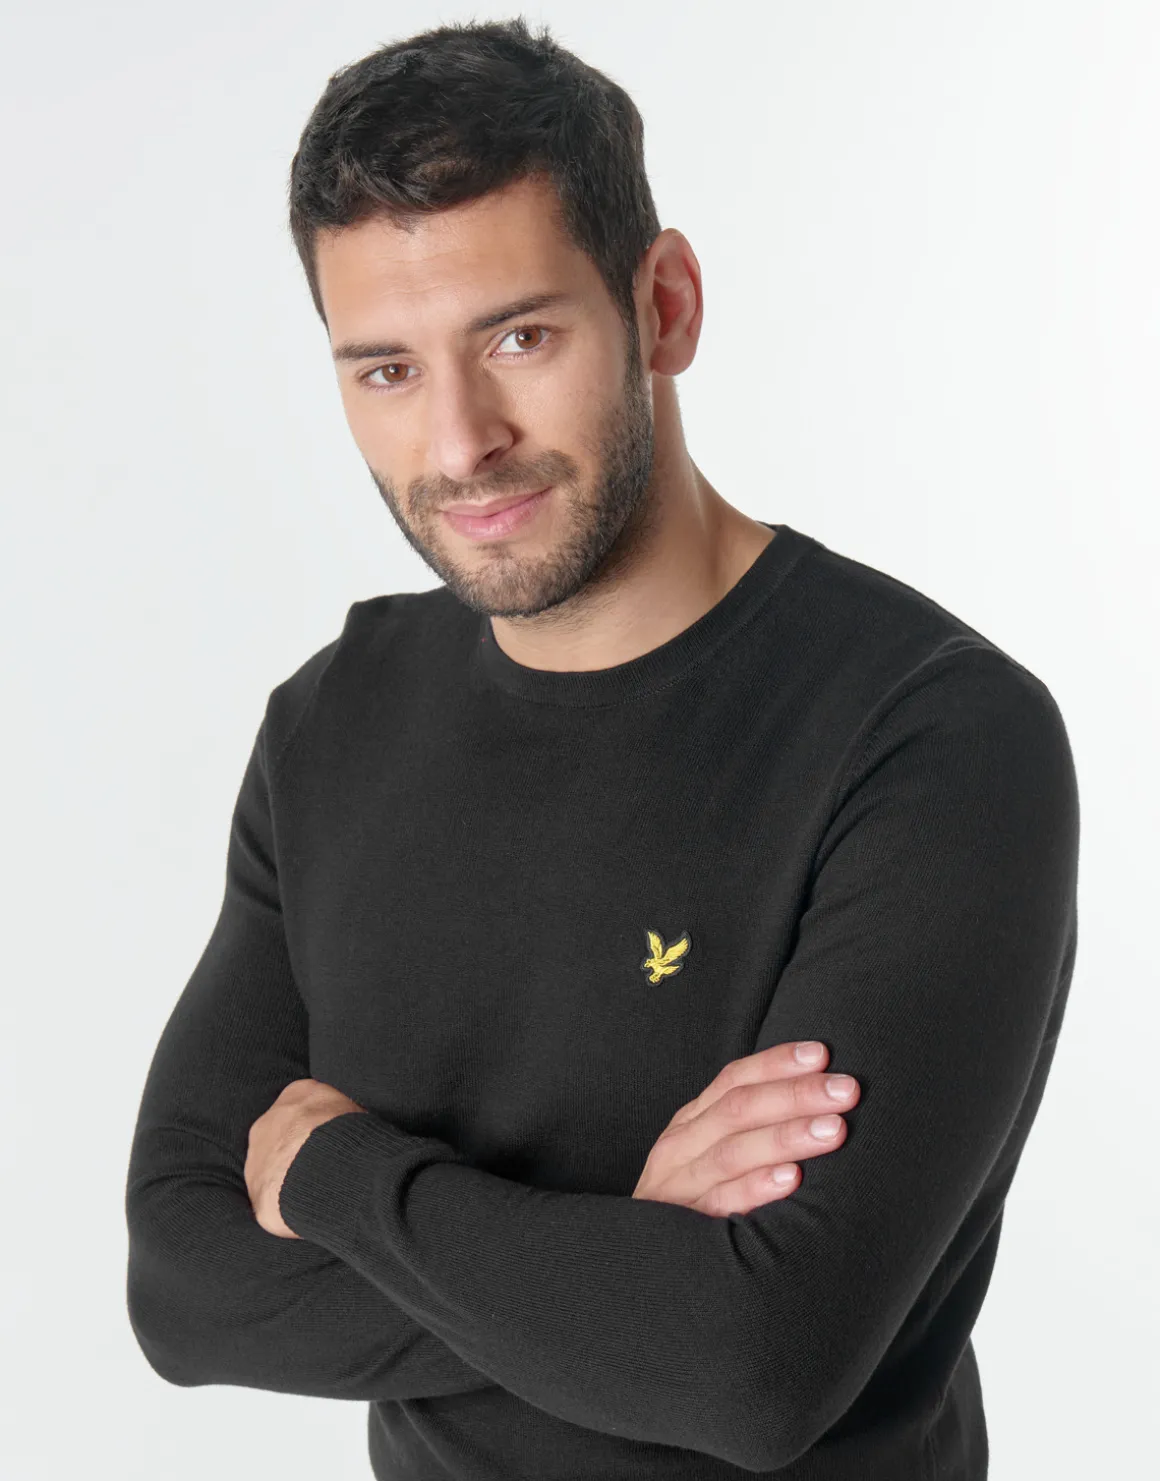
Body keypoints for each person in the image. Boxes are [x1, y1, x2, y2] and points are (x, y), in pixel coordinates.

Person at [124, 17, 1079, 1481]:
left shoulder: (932, 735)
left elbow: (754, 1365)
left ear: (665, 305)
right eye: (385, 370)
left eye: (520, 338)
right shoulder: (331, 723)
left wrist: (334, 1175)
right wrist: (624, 1258)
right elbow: (184, 1290)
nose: (461, 443)